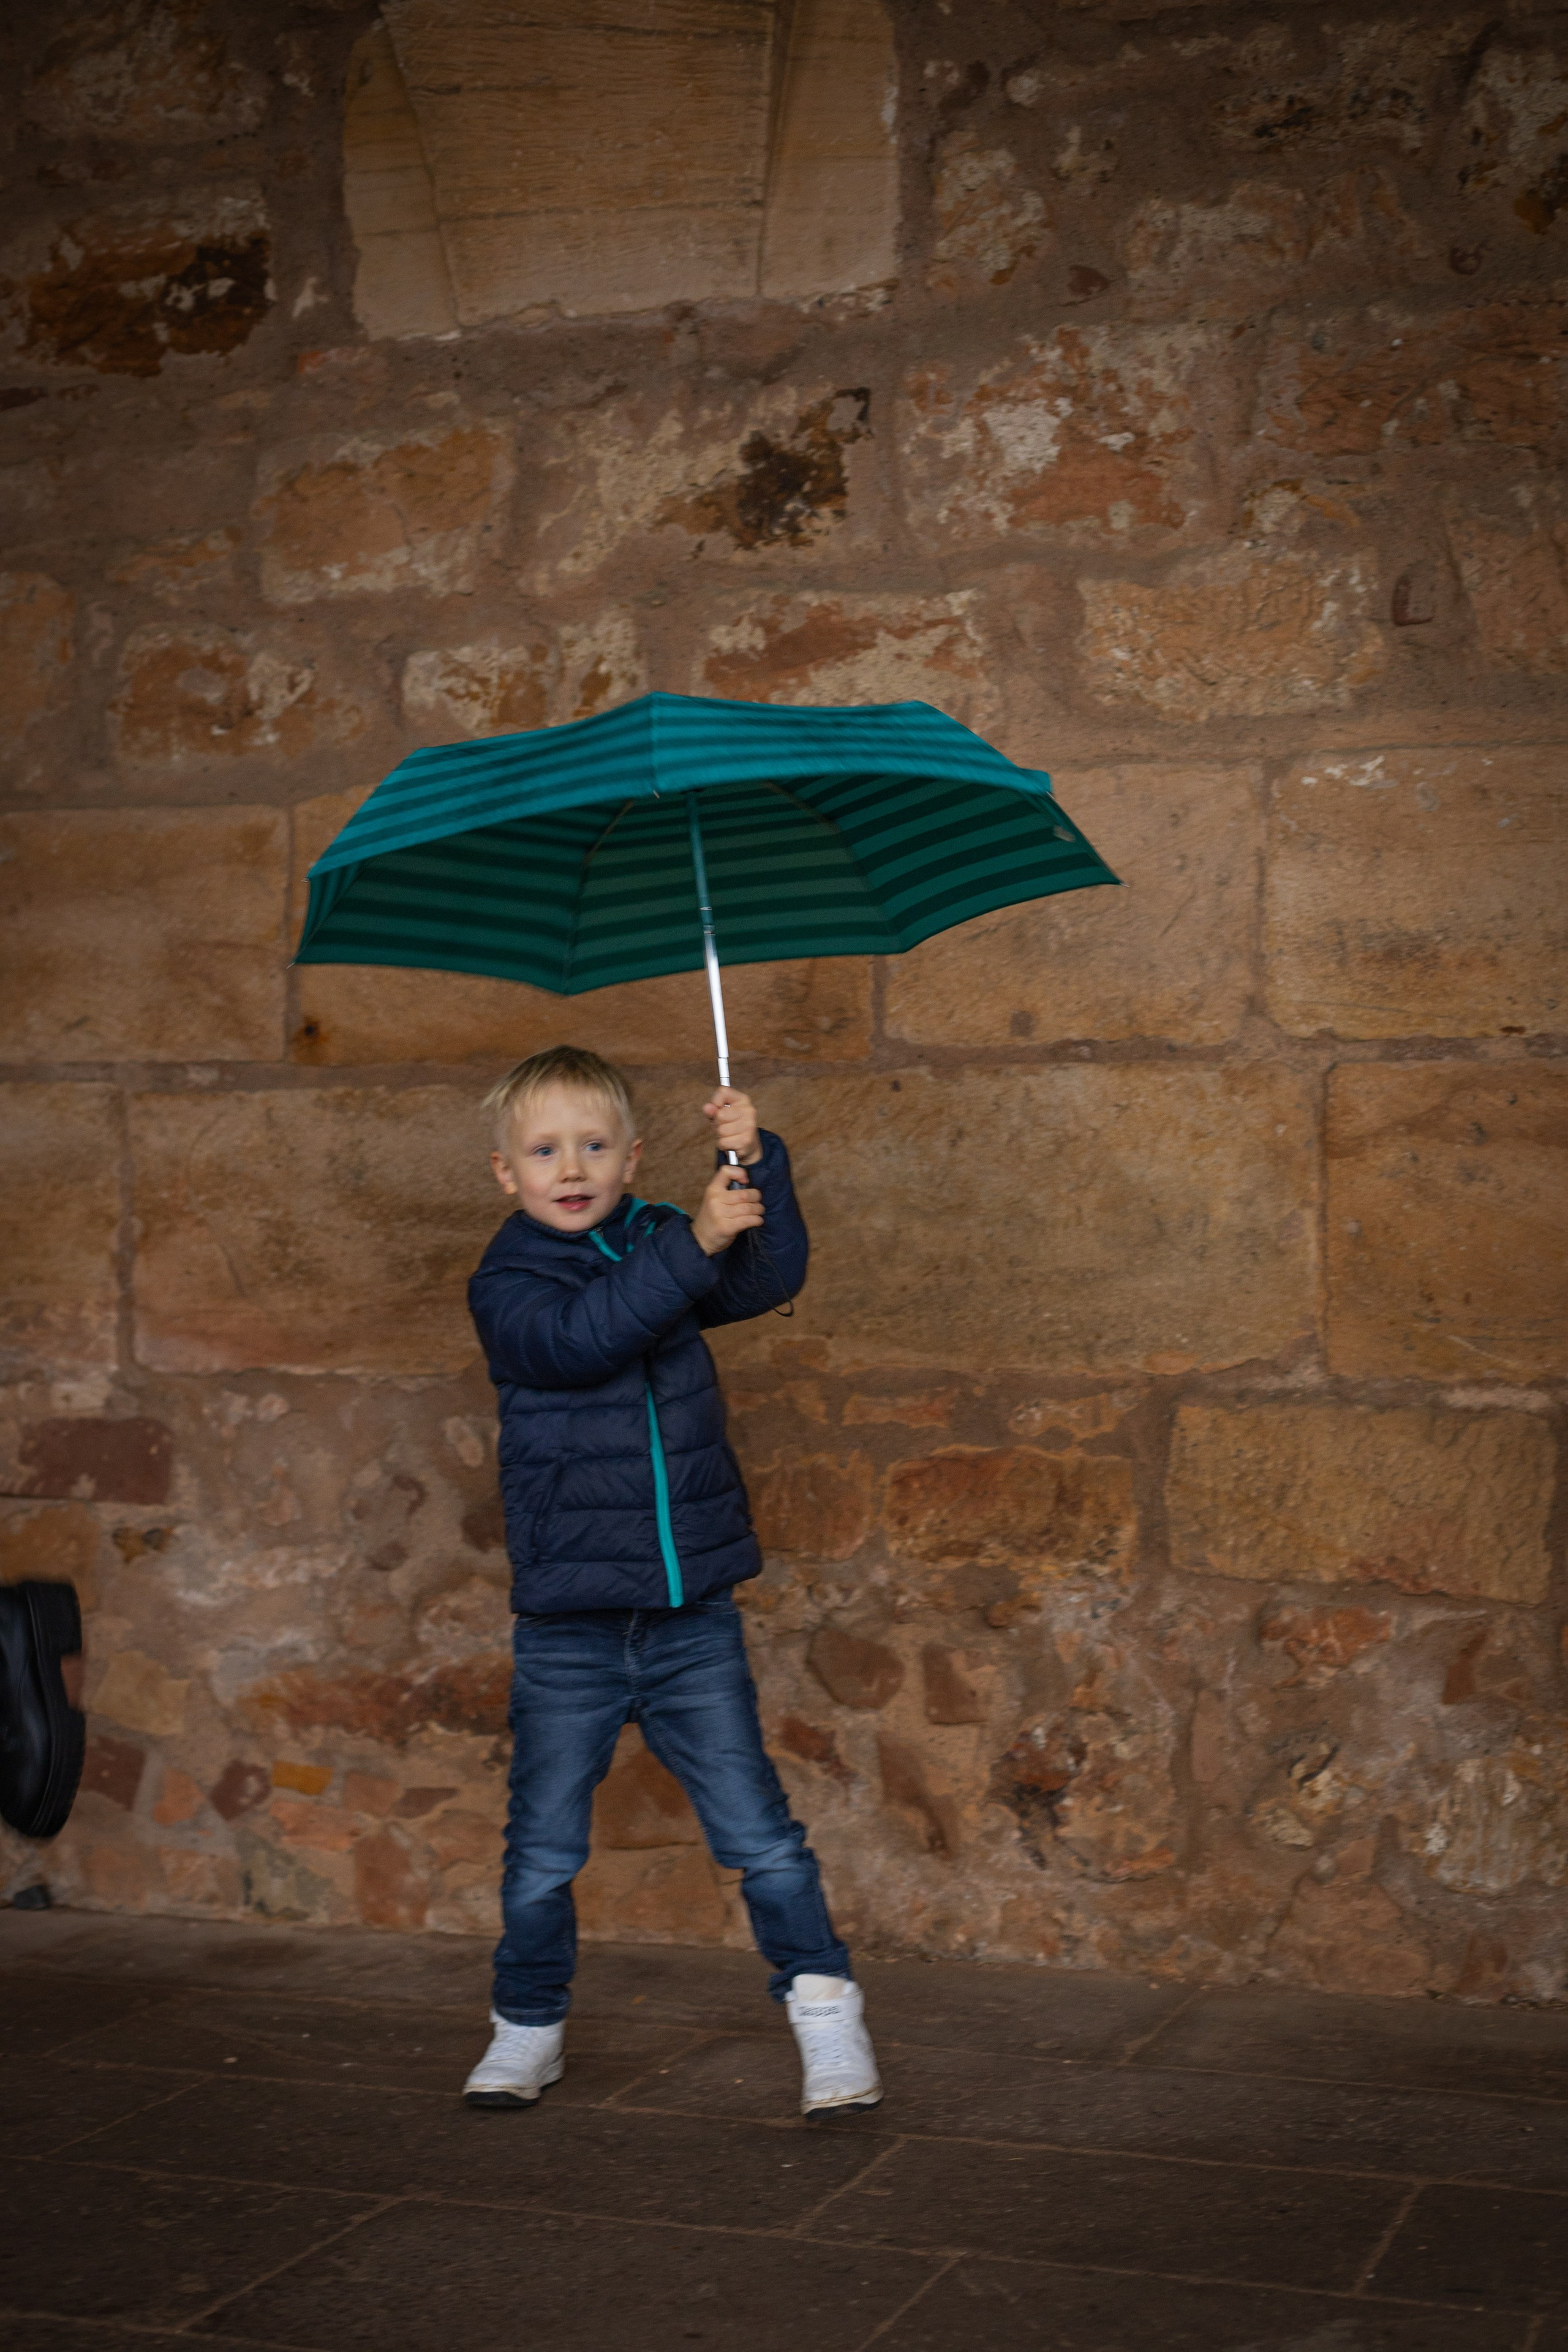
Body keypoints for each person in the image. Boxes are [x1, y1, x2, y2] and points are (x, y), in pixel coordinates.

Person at [461, 1044, 880, 2119]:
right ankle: (528, 2025)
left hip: (690, 1616)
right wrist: (694, 1240)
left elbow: (767, 1279)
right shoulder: (509, 1282)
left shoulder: (659, 1236)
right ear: (506, 1172)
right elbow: (583, 1339)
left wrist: (756, 1165)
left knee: (760, 1837)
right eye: (544, 1151)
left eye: (594, 1146)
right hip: (571, 1626)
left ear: (633, 1156)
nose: (571, 1168)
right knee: (543, 1849)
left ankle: (825, 2012)